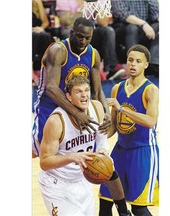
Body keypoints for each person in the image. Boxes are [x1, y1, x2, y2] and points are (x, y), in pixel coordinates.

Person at [38, 76, 131, 216]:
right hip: (57, 185)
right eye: (78, 91)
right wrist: (71, 157)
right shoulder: (56, 121)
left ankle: (124, 211)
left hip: (82, 181)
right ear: (68, 97)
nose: (84, 95)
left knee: (109, 165)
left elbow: (101, 139)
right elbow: (44, 162)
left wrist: (103, 151)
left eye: (87, 90)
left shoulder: (96, 107)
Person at [32, 17, 110, 158]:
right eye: (80, 36)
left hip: (75, 106)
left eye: (88, 38)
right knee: (41, 149)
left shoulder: (93, 54)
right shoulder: (58, 51)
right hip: (49, 105)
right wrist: (76, 113)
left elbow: (97, 91)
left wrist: (106, 113)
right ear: (71, 32)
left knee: (71, 148)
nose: (83, 41)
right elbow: (51, 88)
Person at [99, 44, 159, 216]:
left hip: (143, 152)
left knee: (138, 208)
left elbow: (150, 121)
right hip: (120, 150)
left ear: (146, 65)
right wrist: (97, 137)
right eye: (130, 60)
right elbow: (114, 125)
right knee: (105, 200)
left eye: (138, 61)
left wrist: (122, 109)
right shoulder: (117, 88)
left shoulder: (151, 90)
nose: (133, 64)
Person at [110, 0, 159, 78]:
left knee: (158, 26)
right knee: (132, 28)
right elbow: (123, 15)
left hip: (145, 28)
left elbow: (156, 14)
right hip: (123, 27)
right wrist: (143, 24)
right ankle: (133, 66)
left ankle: (153, 65)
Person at [32, 0, 54, 84]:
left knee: (46, 37)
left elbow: (45, 23)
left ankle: (50, 73)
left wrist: (41, 28)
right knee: (33, 35)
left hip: (38, 32)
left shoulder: (37, 2)